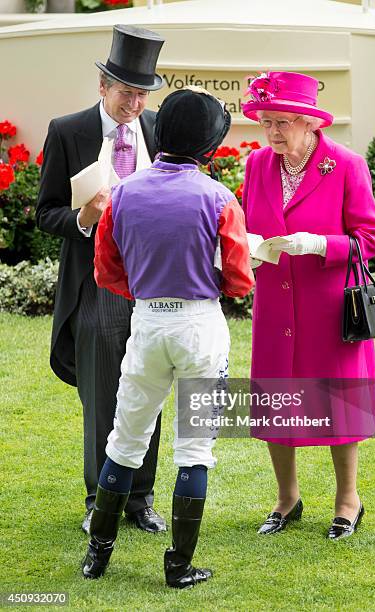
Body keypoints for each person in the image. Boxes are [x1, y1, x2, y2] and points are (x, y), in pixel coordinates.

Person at [81, 86, 254, 587]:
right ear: (208, 144)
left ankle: (98, 554)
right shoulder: (219, 198)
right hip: (199, 324)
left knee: (126, 437)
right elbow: (241, 281)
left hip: (148, 321)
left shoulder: (124, 193)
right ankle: (178, 565)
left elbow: (106, 273)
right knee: (195, 447)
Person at [36, 25, 167, 535]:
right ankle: (100, 499)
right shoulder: (67, 131)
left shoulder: (158, 129)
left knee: (150, 387)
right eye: (125, 92)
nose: (134, 103)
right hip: (96, 285)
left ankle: (141, 498)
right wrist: (86, 219)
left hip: (155, 285)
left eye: (141, 93)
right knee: (103, 395)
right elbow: (47, 213)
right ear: (102, 86)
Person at [241, 71, 375, 540]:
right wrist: (253, 245)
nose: (273, 132)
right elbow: (249, 222)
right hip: (275, 304)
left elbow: (369, 238)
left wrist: (319, 244)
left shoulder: (345, 164)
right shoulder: (257, 164)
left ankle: (348, 499)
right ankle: (287, 498)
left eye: (283, 121)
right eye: (266, 122)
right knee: (278, 400)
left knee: (338, 403)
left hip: (330, 306)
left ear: (309, 123)